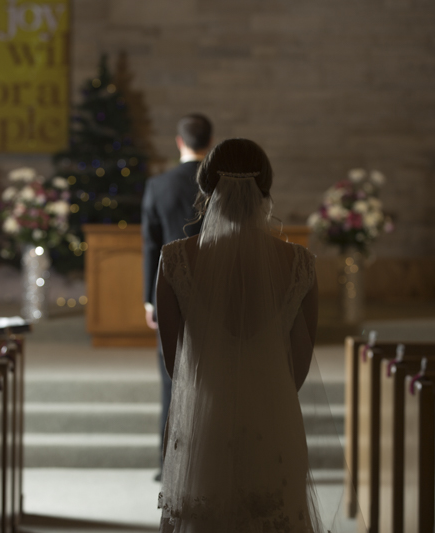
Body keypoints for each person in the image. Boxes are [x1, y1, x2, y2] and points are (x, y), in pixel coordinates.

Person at [155, 138, 322, 532]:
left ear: (207, 188)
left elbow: (175, 364)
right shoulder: (300, 263)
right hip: (274, 422)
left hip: (204, 423)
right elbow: (298, 365)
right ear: (265, 189)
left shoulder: (175, 259)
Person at [142, 113, 213, 481]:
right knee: (214, 375)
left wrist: (150, 300)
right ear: (210, 143)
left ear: (178, 141)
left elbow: (151, 245)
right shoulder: (219, 187)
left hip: (170, 290)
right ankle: (208, 455)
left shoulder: (159, 185)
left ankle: (167, 460)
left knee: (171, 377)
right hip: (216, 292)